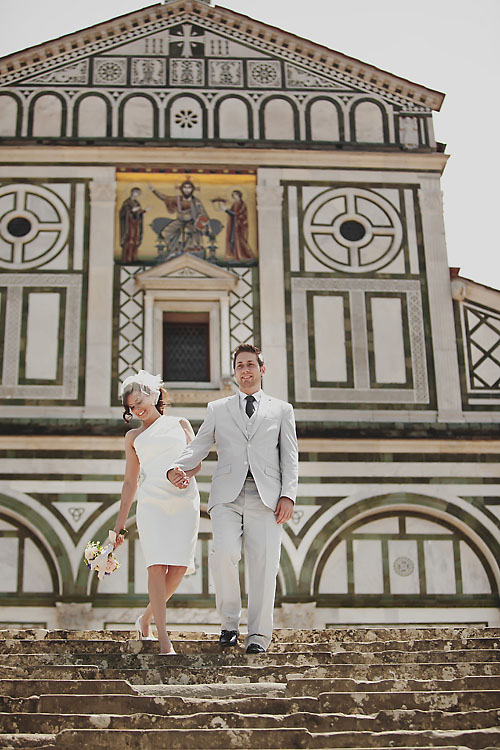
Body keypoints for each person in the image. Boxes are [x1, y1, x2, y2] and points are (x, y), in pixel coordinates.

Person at [168, 344, 298, 653]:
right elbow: (199, 445)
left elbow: (290, 457)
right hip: (226, 494)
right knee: (223, 553)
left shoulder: (282, 410)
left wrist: (288, 495)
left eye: (251, 364)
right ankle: (229, 624)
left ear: (261, 369)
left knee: (265, 565)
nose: (245, 370)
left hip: (266, 496)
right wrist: (176, 466)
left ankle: (258, 636)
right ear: (235, 371)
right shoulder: (218, 408)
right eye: (239, 365)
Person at [114, 370, 200, 654]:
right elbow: (129, 482)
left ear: (153, 395)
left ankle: (146, 617)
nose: (137, 409)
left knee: (179, 567)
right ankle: (163, 638)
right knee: (156, 566)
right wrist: (118, 527)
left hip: (184, 499)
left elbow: (196, 462)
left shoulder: (180, 423)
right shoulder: (133, 437)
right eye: (131, 406)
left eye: (139, 401)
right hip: (151, 503)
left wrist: (183, 472)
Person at [149, 179, 210, 258]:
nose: (187, 190)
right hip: (180, 221)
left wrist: (201, 224)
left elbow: (203, 214)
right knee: (166, 232)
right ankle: (174, 249)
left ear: (192, 190)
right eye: (185, 188)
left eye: (189, 188)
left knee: (185, 231)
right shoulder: (177, 199)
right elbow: (164, 198)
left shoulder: (196, 202)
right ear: (181, 189)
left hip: (191, 223)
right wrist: (153, 190)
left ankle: (184, 250)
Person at [216, 190, 254, 262]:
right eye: (233, 195)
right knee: (232, 240)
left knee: (239, 242)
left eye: (235, 195)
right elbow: (231, 213)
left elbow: (237, 213)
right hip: (233, 224)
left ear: (239, 195)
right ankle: (233, 256)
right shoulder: (234, 204)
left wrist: (226, 210)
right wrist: (224, 210)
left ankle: (241, 256)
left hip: (239, 226)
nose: (234, 197)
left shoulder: (242, 204)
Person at [119, 187, 149, 263]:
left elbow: (138, 213)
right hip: (128, 224)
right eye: (136, 193)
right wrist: (131, 210)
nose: (137, 195)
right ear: (132, 192)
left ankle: (133, 258)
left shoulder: (137, 203)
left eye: (138, 193)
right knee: (129, 240)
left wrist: (144, 211)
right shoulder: (127, 202)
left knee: (135, 240)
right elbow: (124, 212)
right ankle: (127, 259)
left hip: (136, 224)